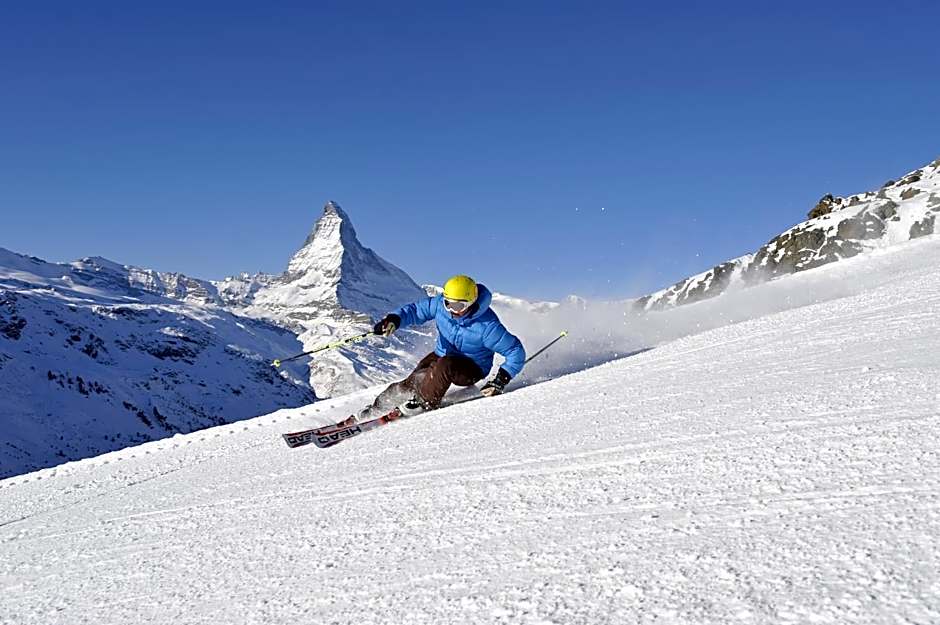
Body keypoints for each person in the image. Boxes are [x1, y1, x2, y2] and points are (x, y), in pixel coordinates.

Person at [363, 274, 526, 418]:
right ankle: (378, 407)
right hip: (443, 354)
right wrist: (394, 320)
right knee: (413, 380)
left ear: (471, 303)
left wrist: (500, 380)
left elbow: (515, 351)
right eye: (448, 303)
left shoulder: (488, 326)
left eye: (458, 306)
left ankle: (424, 403)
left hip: (472, 368)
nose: (451, 310)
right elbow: (415, 311)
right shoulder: (440, 306)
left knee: (445, 365)